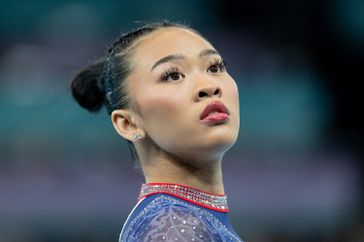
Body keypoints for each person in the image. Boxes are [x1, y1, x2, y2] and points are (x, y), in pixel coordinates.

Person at [70, 20, 242, 242]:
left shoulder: (183, 220)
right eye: (172, 75)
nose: (209, 86)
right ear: (128, 124)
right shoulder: (175, 227)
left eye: (214, 67)